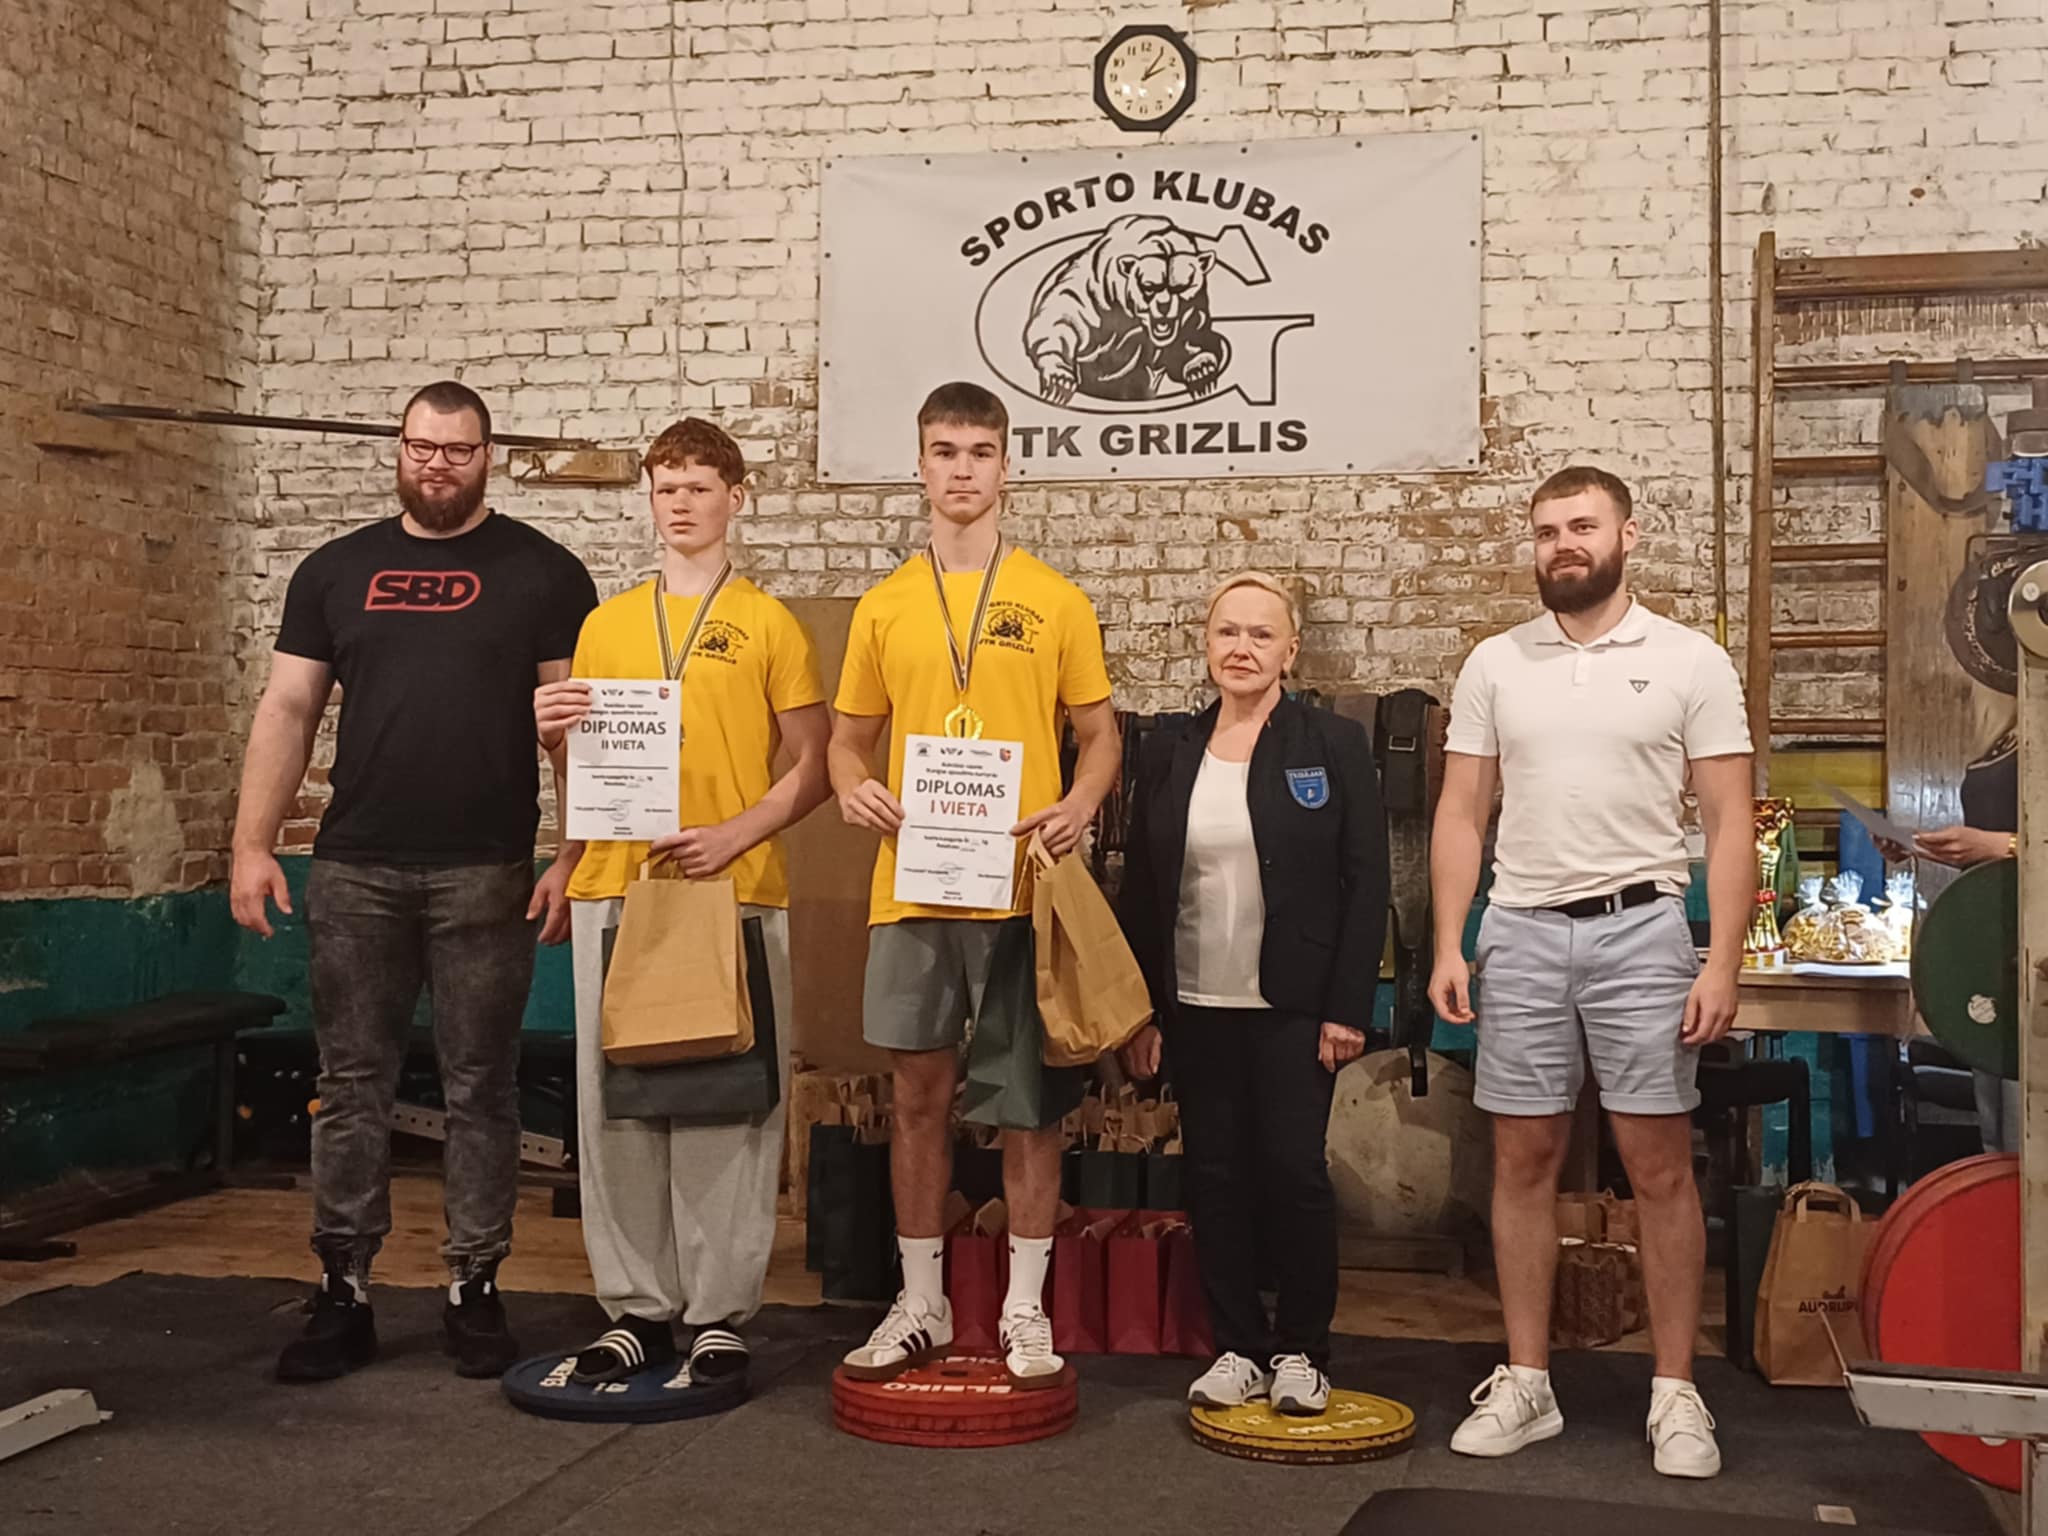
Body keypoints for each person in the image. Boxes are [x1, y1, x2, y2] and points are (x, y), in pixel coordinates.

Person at [231, 380, 598, 1383]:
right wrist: (251, 844)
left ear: (489, 456)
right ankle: (342, 1289)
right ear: (398, 450)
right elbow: (287, 709)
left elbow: (572, 728)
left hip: (487, 869)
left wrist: (575, 852)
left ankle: (474, 1285)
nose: (438, 465)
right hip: (356, 868)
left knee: (482, 1087)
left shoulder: (545, 573)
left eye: (458, 450)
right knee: (352, 1083)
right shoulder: (334, 571)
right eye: (422, 447)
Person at [1427, 465, 1752, 1478]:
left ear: (1627, 535)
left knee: (1657, 1168)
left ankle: (1675, 1392)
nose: (1562, 545)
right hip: (1519, 934)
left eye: (1580, 526)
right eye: (1545, 531)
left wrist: (1722, 959)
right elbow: (1460, 813)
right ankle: (1527, 1381)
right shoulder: (1495, 662)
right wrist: (1448, 941)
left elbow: (1729, 820)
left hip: (1642, 933)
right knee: (1521, 1164)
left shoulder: (1690, 660)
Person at [829, 381, 1121, 1388]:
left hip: (1019, 887)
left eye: (980, 452)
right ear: (920, 466)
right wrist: (852, 787)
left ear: (1007, 466)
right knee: (916, 1096)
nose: (962, 470)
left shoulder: (1054, 598)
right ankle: (921, 1301)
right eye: (945, 452)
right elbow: (846, 741)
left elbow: (1099, 735)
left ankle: (1023, 1307)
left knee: (1027, 1103)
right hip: (913, 887)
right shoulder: (883, 606)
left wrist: (1080, 803)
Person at [533, 418, 830, 1387]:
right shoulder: (606, 625)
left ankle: (717, 1314)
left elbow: (816, 763)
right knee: (613, 1106)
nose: (682, 504)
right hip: (616, 885)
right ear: (650, 500)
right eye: (666, 488)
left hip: (731, 888)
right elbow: (584, 764)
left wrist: (738, 832)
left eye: (700, 486)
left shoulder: (770, 623)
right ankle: (635, 1308)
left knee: (726, 1105)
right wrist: (558, 790)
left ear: (735, 498)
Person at [1116, 571, 1388, 1416]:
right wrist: (1141, 1010)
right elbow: (1142, 890)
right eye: (1227, 631)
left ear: (1290, 650)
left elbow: (1366, 881)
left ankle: (1303, 1350)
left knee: (1294, 1174)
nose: (1242, 648)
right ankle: (1237, 1346)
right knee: (1215, 1176)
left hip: (1296, 1008)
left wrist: (1347, 1008)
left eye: (1261, 634)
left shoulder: (1332, 744)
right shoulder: (1169, 750)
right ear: (1207, 644)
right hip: (1196, 1004)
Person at [1874, 709, 2018, 1152]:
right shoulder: (2007, 726)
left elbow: (2005, 844)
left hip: (2035, 943)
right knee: (1998, 1134)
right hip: (1997, 938)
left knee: (2026, 1132)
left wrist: (2003, 845)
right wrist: (1928, 847)